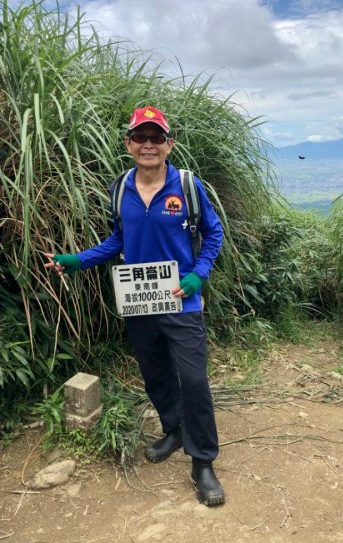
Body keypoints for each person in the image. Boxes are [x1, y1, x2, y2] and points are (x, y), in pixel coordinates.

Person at [44, 106, 225, 506]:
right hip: (140, 301)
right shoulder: (121, 187)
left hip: (182, 300)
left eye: (155, 137)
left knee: (193, 379)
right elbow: (117, 242)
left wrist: (198, 274)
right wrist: (77, 260)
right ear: (128, 144)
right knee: (155, 373)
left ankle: (202, 461)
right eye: (140, 137)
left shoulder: (188, 186)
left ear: (168, 144)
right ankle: (174, 430)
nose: (148, 144)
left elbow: (214, 234)